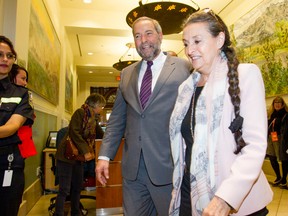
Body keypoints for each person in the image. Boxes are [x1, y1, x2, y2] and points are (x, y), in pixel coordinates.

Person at [169, 9, 273, 216]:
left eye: (197, 41)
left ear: (219, 40)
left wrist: (226, 198)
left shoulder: (246, 75)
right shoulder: (185, 89)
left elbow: (255, 146)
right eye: (186, 43)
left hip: (236, 202)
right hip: (190, 195)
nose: (190, 50)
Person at [96, 16, 190, 216]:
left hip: (167, 167)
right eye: (137, 36)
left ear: (160, 35)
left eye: (148, 33)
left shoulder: (184, 68)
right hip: (133, 172)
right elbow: (117, 119)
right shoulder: (127, 74)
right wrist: (104, 156)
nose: (143, 40)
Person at [54, 93, 106, 216]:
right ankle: (58, 213)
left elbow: (100, 135)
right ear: (96, 105)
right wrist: (86, 151)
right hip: (66, 156)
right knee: (64, 190)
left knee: (77, 187)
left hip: (78, 158)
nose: (102, 109)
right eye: (101, 106)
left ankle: (76, 212)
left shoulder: (93, 118)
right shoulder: (80, 113)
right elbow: (74, 133)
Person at [0, 35, 34, 216]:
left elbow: (12, 127)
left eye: (9, 55)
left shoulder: (21, 94)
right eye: (0, 54)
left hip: (8, 162)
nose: (5, 59)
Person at [9, 63, 37, 159]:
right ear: (12, 77)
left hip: (21, 145)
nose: (25, 83)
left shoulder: (25, 97)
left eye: (26, 79)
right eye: (22, 79)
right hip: (11, 144)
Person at [266, 96, 288, 188]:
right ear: (273, 104)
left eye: (279, 102)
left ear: (282, 104)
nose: (277, 104)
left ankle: (284, 179)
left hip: (281, 139)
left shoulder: (285, 114)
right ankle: (278, 176)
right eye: (276, 102)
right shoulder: (271, 114)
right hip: (271, 138)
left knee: (284, 159)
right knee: (271, 157)